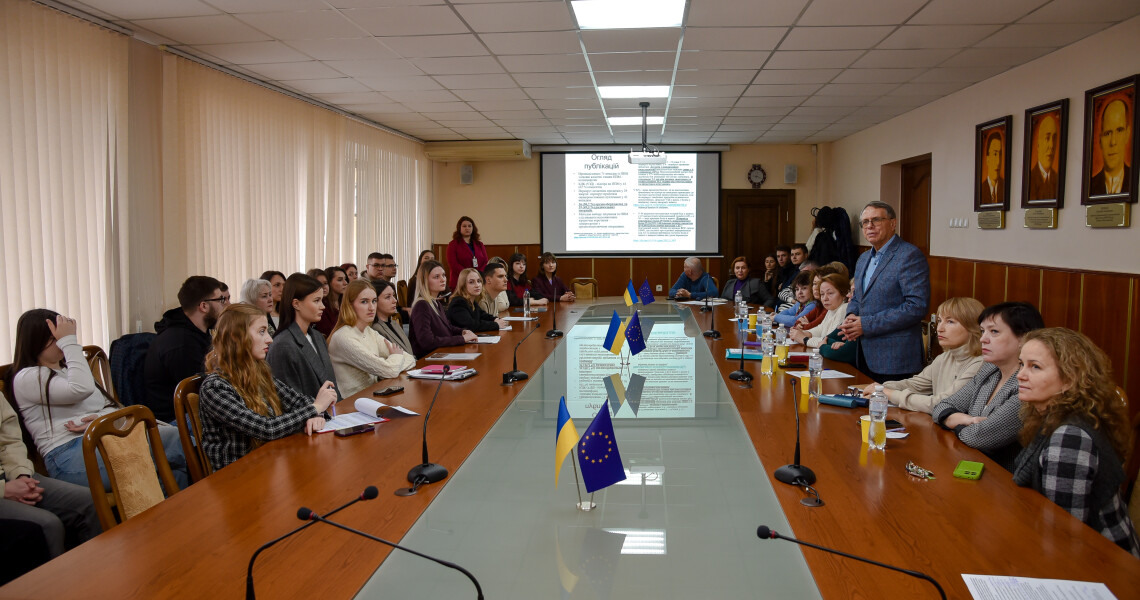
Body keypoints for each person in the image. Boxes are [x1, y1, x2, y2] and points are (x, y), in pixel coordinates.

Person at [11, 311, 189, 490]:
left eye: (62, 336)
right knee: (174, 439)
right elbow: (81, 389)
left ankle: (176, 514)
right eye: (55, 337)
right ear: (35, 340)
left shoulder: (71, 369)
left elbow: (108, 405)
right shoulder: (27, 377)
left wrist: (99, 418)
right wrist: (69, 342)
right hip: (68, 455)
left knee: (175, 470)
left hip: (103, 438)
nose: (61, 342)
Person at [1011, 328, 1139, 557]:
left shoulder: (1070, 436)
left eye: (1035, 367)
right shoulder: (1051, 413)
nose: (1020, 374)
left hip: (1107, 568)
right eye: (1021, 364)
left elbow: (1062, 538)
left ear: (1069, 379)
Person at [199, 304, 337, 470]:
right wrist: (316, 408)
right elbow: (267, 428)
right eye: (261, 331)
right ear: (237, 337)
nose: (270, 339)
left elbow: (298, 401)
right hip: (237, 478)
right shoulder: (215, 387)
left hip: (271, 463)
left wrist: (316, 414)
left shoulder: (259, 372)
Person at [931, 302, 1044, 470]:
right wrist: (966, 419)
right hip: (970, 463)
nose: (983, 339)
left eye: (994, 332)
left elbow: (979, 437)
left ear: (1023, 338)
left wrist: (952, 421)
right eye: (983, 331)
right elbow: (942, 406)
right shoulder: (990, 369)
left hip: (1004, 481)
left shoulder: (1027, 385)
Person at [0, 373, 101, 561]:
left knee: (90, 501)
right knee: (48, 524)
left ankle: (100, 575)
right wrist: (4, 489)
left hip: (12, 474)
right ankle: (63, 589)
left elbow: (10, 440)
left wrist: (21, 474)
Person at [840, 201, 930, 383]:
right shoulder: (863, 258)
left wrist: (866, 324)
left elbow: (916, 307)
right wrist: (851, 315)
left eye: (876, 220)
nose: (869, 226)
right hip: (864, 353)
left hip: (895, 357)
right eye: (865, 222)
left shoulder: (909, 255)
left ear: (893, 223)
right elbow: (858, 297)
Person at [865, 297, 985, 414]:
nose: (940, 328)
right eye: (939, 321)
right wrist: (880, 388)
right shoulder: (944, 357)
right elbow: (915, 384)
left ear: (973, 327)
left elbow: (943, 404)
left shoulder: (980, 364)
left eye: (950, 322)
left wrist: (890, 394)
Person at [142, 275, 226, 424]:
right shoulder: (180, 343)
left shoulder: (197, 333)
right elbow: (203, 391)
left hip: (193, 410)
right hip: (175, 420)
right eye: (221, 300)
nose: (225, 306)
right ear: (204, 306)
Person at [328, 281, 417, 398]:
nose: (371, 307)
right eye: (364, 302)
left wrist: (391, 363)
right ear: (350, 305)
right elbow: (390, 370)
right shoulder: (343, 337)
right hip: (351, 405)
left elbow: (410, 359)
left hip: (374, 396)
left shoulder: (369, 331)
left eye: (374, 301)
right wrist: (396, 357)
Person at [266, 273, 342, 408]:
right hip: (308, 421)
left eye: (322, 300)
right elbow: (287, 401)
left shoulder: (318, 336)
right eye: (316, 301)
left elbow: (331, 383)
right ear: (296, 304)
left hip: (332, 414)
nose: (322, 306)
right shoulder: (282, 345)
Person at [409, 260, 478, 358]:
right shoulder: (422, 305)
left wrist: (462, 332)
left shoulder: (436, 302)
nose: (443, 279)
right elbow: (427, 342)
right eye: (436, 277)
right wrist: (461, 339)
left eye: (444, 275)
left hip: (442, 354)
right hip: (428, 359)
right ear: (425, 281)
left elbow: (447, 327)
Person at [787, 273, 848, 349]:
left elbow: (829, 340)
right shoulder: (832, 308)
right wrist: (805, 333)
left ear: (844, 294)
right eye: (822, 294)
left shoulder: (844, 308)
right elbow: (821, 329)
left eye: (830, 293)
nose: (825, 298)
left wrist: (804, 339)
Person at [1089, 99, 1132, 197]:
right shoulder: (1091, 186)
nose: (1113, 142)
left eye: (1119, 130)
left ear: (1127, 134)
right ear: (1100, 140)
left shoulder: (1135, 181)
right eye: (1107, 133)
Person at [447, 268, 508, 333]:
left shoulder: (471, 301)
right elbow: (471, 325)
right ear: (463, 285)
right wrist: (496, 325)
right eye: (471, 282)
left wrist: (495, 319)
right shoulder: (458, 303)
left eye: (479, 281)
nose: (477, 285)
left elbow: (483, 315)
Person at [370, 280, 414, 355]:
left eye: (393, 295)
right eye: (388, 297)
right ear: (374, 301)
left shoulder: (394, 323)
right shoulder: (376, 329)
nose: (395, 300)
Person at [446, 216, 488, 290]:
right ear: (459, 228)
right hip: (460, 281)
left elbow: (485, 261)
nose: (467, 228)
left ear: (473, 228)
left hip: (478, 280)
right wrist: (468, 274)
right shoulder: (453, 244)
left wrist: (478, 274)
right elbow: (453, 264)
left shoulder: (479, 244)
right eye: (464, 226)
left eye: (469, 226)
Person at [1028, 113, 1060, 202]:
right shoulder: (1030, 180)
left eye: (1054, 138)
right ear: (1038, 144)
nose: (1051, 145)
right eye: (1047, 138)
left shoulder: (1057, 180)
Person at [315, 266, 348, 338]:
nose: (345, 283)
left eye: (345, 279)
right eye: (340, 280)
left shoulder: (346, 303)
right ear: (329, 282)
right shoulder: (322, 306)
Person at [980, 132, 1005, 206]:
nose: (998, 161)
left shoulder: (1005, 188)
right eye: (995, 154)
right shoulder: (981, 190)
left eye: (1000, 154)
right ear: (988, 158)